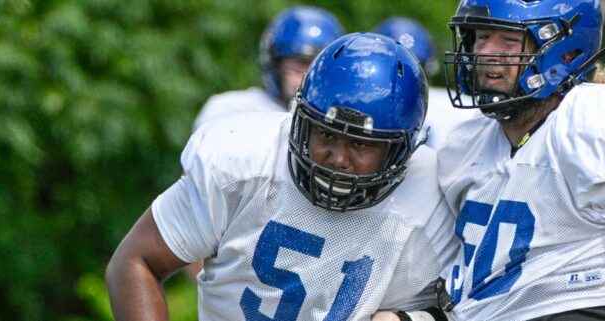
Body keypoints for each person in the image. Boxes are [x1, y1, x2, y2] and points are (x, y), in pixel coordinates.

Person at [106, 33, 458, 321]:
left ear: (400, 150)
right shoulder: (244, 160)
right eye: (327, 135)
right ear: (300, 119)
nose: (337, 158)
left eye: (360, 144)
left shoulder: (429, 194)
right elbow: (136, 262)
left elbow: (459, 309)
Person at [427, 0, 605, 320]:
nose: (485, 53)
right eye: (481, 37)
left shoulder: (599, 120)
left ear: (565, 51)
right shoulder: (463, 144)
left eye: (508, 40)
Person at [192, 6, 344, 130]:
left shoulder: (337, 122)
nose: (308, 75)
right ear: (276, 64)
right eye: (300, 63)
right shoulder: (230, 110)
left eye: (318, 67)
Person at [374, 17, 477, 150]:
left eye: (412, 68)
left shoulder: (465, 112)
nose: (402, 76)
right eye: (395, 67)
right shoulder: (462, 109)